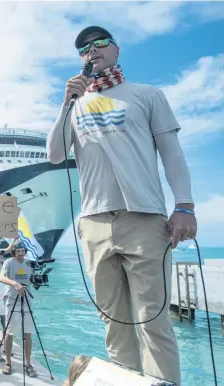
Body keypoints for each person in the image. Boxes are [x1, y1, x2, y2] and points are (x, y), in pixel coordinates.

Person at [46, 26, 195, 385]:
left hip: (144, 219)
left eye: (99, 44)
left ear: (116, 50)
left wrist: (185, 206)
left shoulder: (147, 95)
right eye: (83, 48)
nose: (91, 51)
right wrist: (65, 105)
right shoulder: (75, 105)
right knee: (114, 325)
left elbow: (172, 154)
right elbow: (53, 155)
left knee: (153, 322)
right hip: (94, 223)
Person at [0, 243, 37, 378]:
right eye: (18, 251)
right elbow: (1, 277)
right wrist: (14, 283)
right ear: (14, 252)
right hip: (11, 300)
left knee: (28, 332)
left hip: (26, 300)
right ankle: (8, 362)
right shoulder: (8, 262)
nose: (21, 254)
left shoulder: (29, 263)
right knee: (9, 332)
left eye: (23, 251)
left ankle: (28, 364)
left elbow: (34, 280)